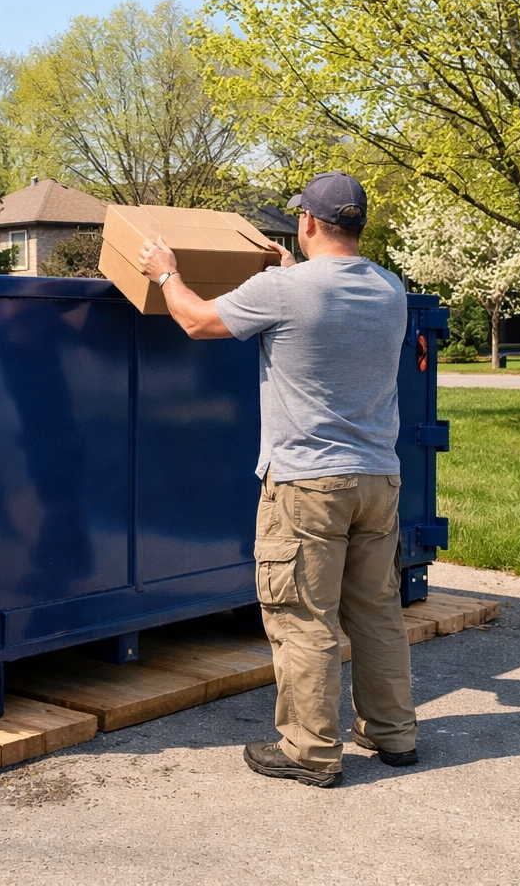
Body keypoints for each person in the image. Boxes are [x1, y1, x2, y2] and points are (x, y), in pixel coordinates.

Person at [136, 170, 417, 787]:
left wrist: (165, 271)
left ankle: (310, 751)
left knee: (303, 616)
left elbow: (196, 321)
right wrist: (286, 270)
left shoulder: (286, 292)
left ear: (309, 222)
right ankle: (394, 735)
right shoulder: (390, 289)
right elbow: (322, 306)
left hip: (308, 485)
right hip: (378, 479)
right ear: (357, 225)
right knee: (376, 613)